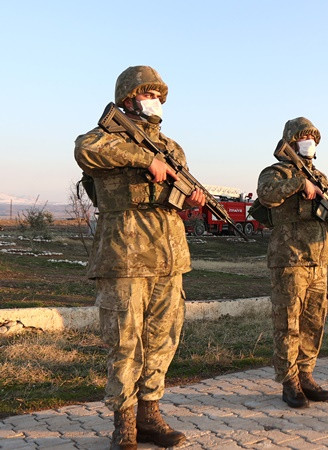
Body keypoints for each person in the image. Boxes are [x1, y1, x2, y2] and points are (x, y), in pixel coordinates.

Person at [75, 66, 206, 449]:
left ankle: (150, 415)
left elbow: (175, 193)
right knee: (125, 343)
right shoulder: (105, 137)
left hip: (169, 258)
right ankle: (125, 424)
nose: (155, 101)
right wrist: (145, 160)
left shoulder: (171, 147)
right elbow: (85, 149)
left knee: (162, 340)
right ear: (128, 98)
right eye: (147, 93)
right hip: (125, 256)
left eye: (158, 95)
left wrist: (192, 197)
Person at [256, 117, 328, 408]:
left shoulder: (320, 176)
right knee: (288, 323)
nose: (309, 142)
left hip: (318, 260)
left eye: (313, 138)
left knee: (314, 321)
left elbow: (321, 214)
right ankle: (289, 381)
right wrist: (299, 183)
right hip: (290, 259)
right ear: (291, 141)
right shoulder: (276, 172)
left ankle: (306, 374)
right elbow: (266, 195)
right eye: (303, 137)